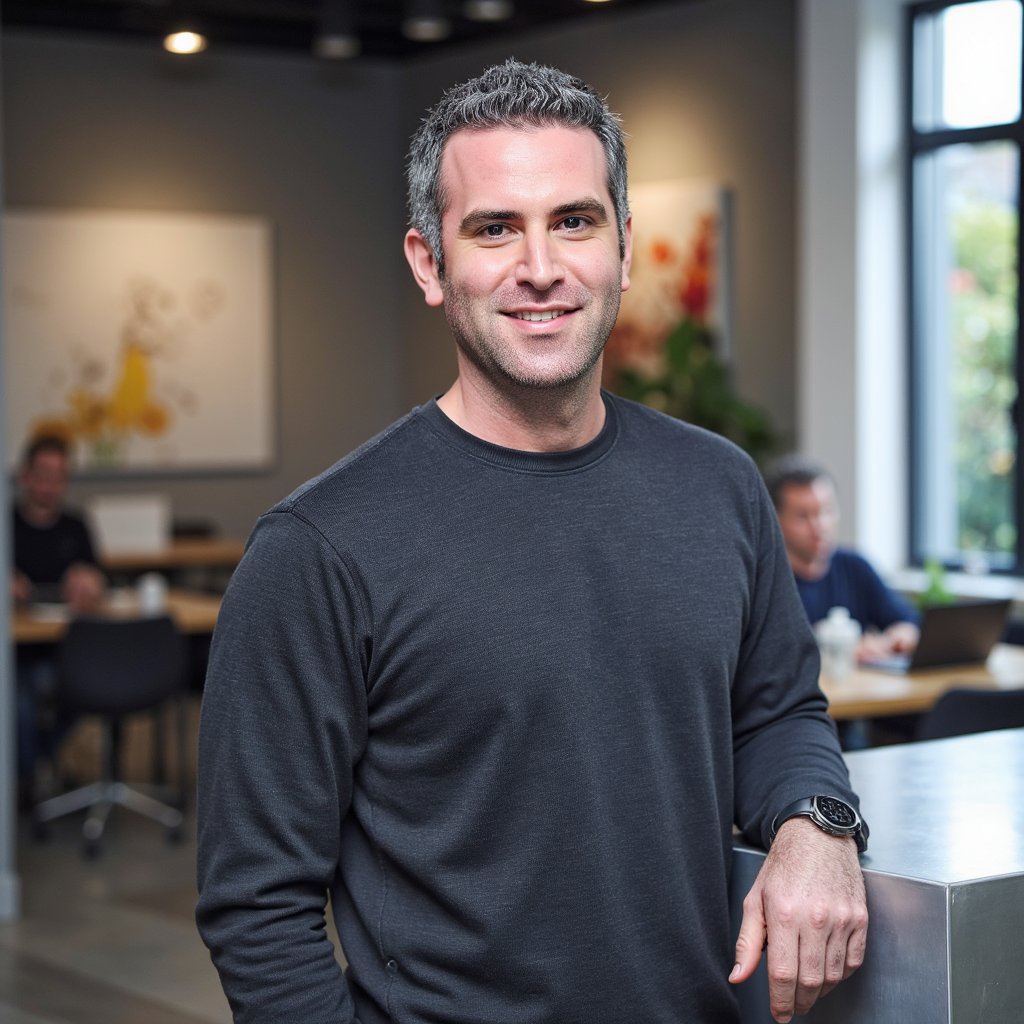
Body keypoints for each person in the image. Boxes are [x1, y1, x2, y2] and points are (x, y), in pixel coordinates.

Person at [196, 60, 868, 1024]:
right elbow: (257, 905)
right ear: (430, 263)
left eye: (574, 221)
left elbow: (778, 713)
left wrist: (817, 825)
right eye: (495, 227)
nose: (541, 266)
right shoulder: (319, 549)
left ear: (625, 249)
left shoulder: (718, 484)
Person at [11, 433, 106, 802]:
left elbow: (99, 579)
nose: (51, 484)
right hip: (18, 652)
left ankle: (33, 768)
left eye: (60, 475)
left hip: (67, 646)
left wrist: (90, 584)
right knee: (20, 701)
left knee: (81, 688)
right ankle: (27, 779)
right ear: (25, 475)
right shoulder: (6, 526)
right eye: (43, 474)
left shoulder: (75, 526)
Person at [766, 454, 920, 661]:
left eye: (826, 511)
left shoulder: (854, 566)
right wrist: (841, 653)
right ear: (776, 520)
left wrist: (896, 639)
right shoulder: (765, 581)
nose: (819, 526)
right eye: (803, 516)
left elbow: (908, 621)